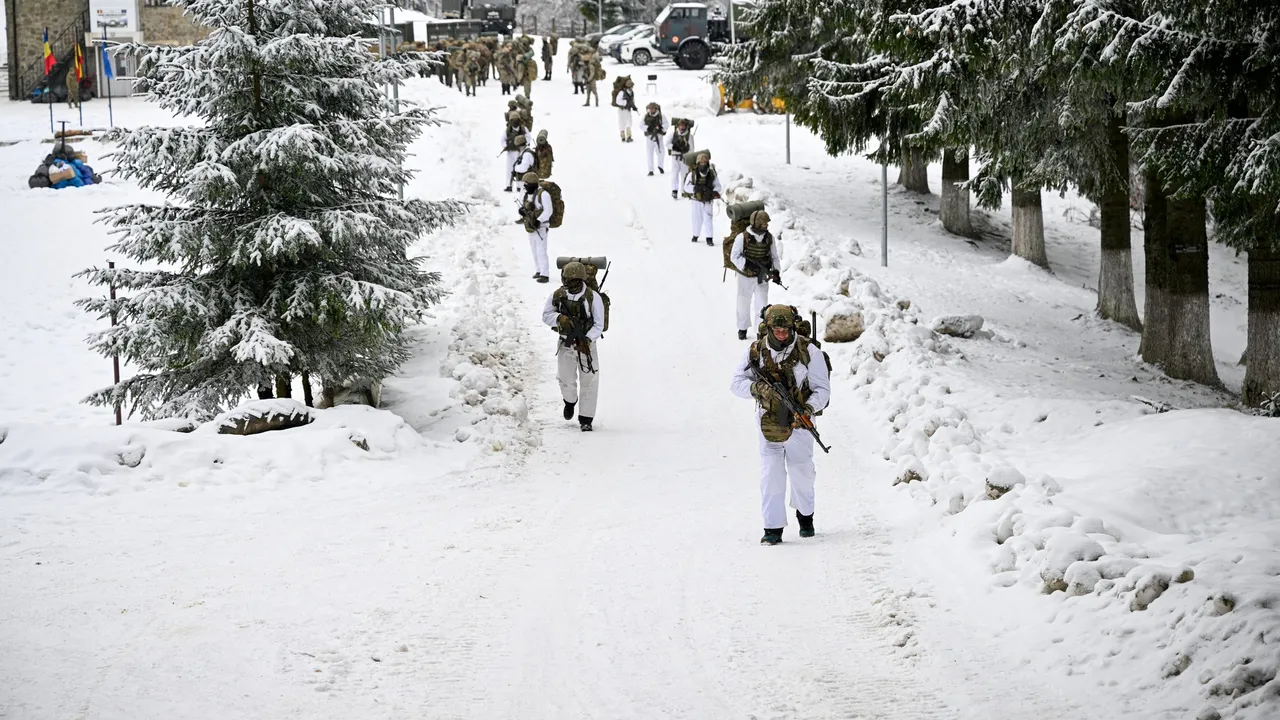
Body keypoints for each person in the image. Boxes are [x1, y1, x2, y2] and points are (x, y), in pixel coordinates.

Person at [729, 305, 831, 545]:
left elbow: (822, 390)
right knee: (771, 473)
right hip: (769, 420)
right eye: (777, 329)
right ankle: (772, 527)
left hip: (800, 421)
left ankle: (806, 516)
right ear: (769, 328)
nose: (782, 334)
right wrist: (757, 389)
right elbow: (736, 383)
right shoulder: (756, 350)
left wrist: (807, 409)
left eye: (786, 329)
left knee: (802, 471)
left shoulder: (809, 351)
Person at [542, 261, 605, 432]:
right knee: (565, 377)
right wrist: (559, 319)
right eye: (565, 280)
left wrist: (587, 339)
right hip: (565, 342)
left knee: (589, 380)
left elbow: (599, 324)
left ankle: (586, 418)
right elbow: (546, 315)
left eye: (571, 281)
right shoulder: (559, 294)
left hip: (586, 345)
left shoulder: (593, 298)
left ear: (579, 280)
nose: (567, 284)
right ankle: (569, 401)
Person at [730, 211, 782, 340]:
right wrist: (746, 265)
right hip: (745, 276)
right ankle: (742, 328)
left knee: (762, 304)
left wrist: (775, 271)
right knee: (743, 302)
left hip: (762, 276)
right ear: (757, 223)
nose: (766, 225)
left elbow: (774, 256)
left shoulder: (769, 238)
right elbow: (734, 256)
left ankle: (760, 330)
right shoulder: (743, 237)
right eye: (764, 223)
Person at [517, 172, 553, 283]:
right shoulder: (528, 194)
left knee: (541, 250)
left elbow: (548, 210)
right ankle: (538, 270)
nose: (524, 186)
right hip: (531, 227)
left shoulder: (543, 194)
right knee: (534, 250)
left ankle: (545, 273)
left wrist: (539, 220)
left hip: (541, 227)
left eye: (526, 183)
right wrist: (522, 212)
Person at [682, 152, 722, 245]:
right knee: (696, 219)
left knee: (708, 218)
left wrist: (712, 191)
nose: (703, 164)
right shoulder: (692, 174)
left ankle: (709, 238)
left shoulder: (711, 174)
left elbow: (718, 186)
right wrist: (696, 189)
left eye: (705, 162)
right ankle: (695, 235)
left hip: (707, 200)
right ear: (698, 163)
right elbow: (686, 187)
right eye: (701, 162)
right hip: (696, 200)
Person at [668, 118, 694, 199]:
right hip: (675, 157)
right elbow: (667, 143)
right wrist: (674, 147)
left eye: (683, 125)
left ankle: (684, 191)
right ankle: (674, 190)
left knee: (684, 175)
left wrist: (687, 153)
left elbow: (692, 148)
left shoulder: (689, 136)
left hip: (684, 158)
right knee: (674, 174)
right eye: (680, 125)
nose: (682, 127)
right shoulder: (673, 134)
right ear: (678, 126)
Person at [642, 102, 668, 177]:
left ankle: (660, 166)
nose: (651, 110)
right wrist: (647, 128)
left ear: (656, 109)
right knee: (649, 153)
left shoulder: (661, 116)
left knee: (661, 152)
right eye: (650, 108)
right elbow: (641, 125)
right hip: (649, 137)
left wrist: (660, 127)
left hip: (659, 137)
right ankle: (650, 170)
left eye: (653, 108)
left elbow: (666, 124)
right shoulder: (646, 116)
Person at [501, 126, 527, 192]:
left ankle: (519, 186)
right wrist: (506, 146)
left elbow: (528, 137)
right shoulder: (508, 129)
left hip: (519, 151)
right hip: (510, 152)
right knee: (510, 169)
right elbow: (502, 139)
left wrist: (523, 144)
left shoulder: (523, 128)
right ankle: (509, 185)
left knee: (519, 168)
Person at [613, 77, 636, 143]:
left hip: (628, 110)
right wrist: (625, 102)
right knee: (622, 123)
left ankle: (629, 136)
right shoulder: (621, 92)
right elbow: (618, 101)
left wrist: (634, 106)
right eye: (631, 86)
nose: (632, 87)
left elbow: (632, 100)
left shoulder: (631, 92)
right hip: (622, 110)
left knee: (629, 122)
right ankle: (622, 136)